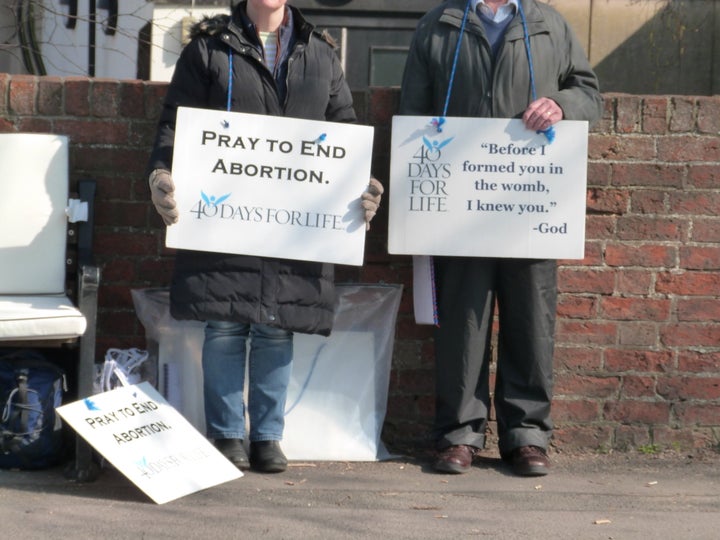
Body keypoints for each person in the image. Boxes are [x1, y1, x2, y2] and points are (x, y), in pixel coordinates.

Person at [146, 0, 383, 473]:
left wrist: (364, 184)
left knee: (276, 326)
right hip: (225, 218)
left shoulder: (320, 53)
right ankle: (227, 434)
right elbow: (176, 124)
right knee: (225, 324)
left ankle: (268, 438)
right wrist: (160, 174)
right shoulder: (209, 48)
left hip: (294, 223)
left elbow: (344, 131)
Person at [399, 0, 602, 476]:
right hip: (461, 203)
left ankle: (526, 436)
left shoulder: (549, 24)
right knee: (463, 326)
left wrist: (562, 104)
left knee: (531, 322)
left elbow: (589, 95)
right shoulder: (439, 23)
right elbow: (412, 110)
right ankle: (458, 436)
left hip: (531, 198)